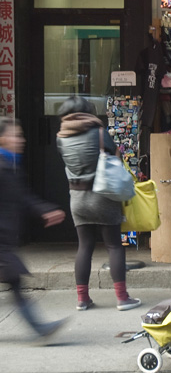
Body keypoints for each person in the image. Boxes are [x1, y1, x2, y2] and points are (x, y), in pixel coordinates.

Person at [56, 96, 141, 311]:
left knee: (84, 247)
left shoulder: (61, 138)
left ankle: (82, 299)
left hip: (77, 198)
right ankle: (122, 298)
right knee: (113, 245)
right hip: (103, 195)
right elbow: (116, 157)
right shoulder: (99, 133)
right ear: (88, 111)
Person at [0, 118, 67, 337]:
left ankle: (40, 329)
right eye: (16, 135)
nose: (21, 140)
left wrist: (44, 210)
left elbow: (23, 196)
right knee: (15, 281)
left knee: (15, 281)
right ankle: (40, 329)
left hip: (6, 238)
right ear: (3, 139)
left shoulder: (11, 165)